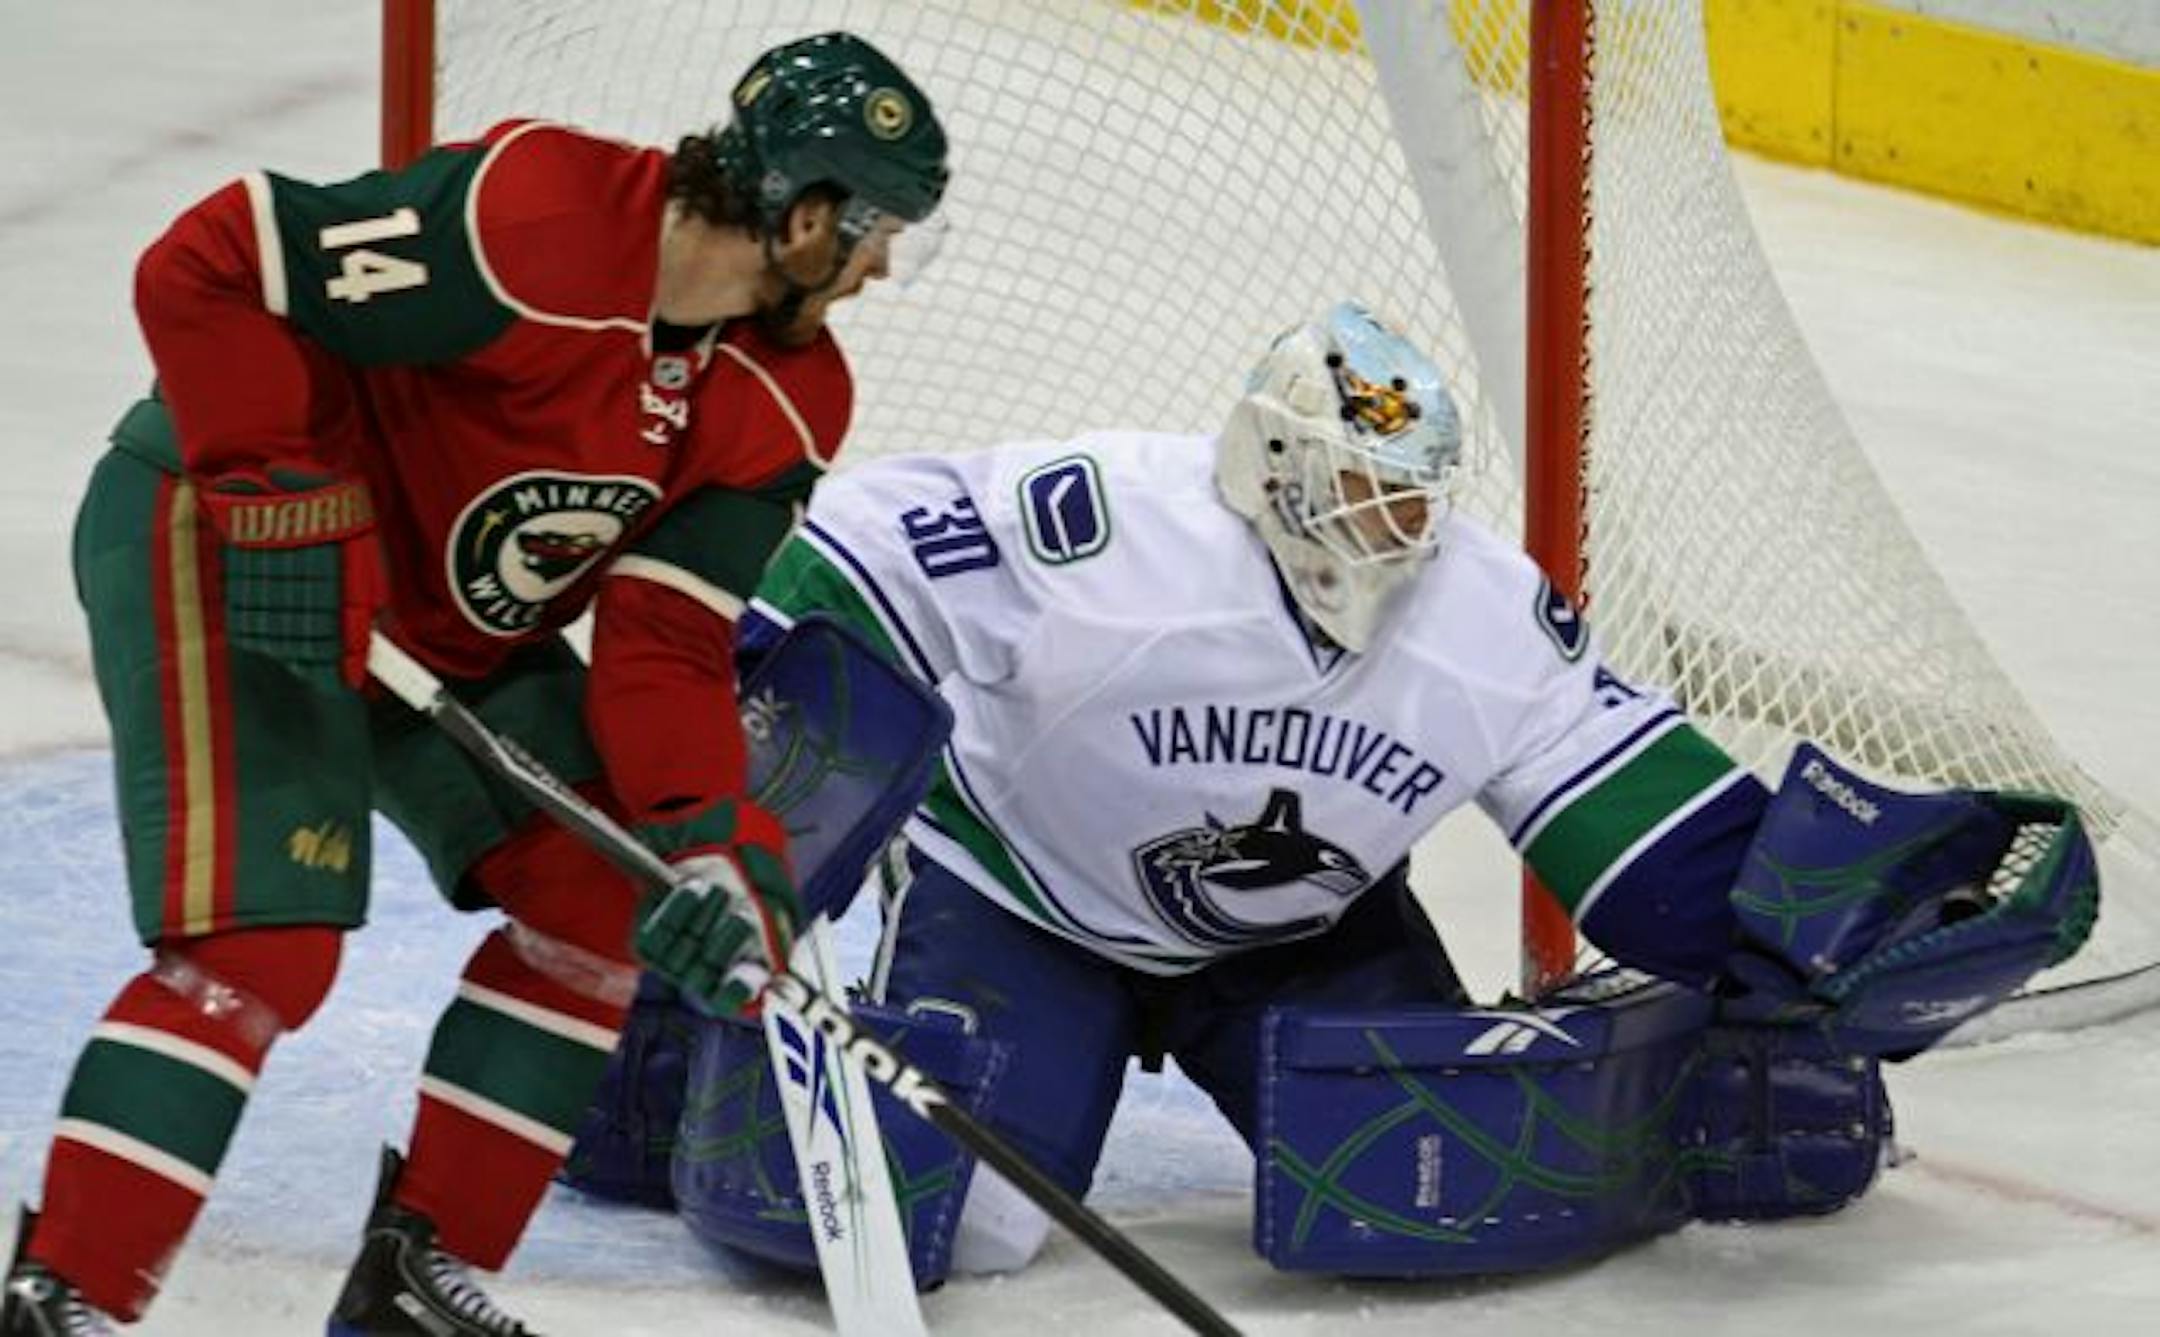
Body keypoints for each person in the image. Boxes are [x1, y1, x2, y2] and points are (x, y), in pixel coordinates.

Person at [687, 299, 2094, 1280]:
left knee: (1439, 1192)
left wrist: (1818, 935)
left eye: (1416, 496)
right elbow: (842, 568)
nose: (1397, 529)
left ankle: (1704, 1100)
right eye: (1364, 493)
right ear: (1278, 462)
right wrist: (755, 815)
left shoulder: (1481, 610)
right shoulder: (1105, 526)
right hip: (1026, 906)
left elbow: (1646, 831)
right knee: (954, 1217)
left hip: (1305, 933)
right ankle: (661, 1062)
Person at [1, 30, 948, 1337]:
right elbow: (212, 259)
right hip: (230, 549)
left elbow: (663, 644)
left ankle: (413, 1283)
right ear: (806, 214)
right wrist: (269, 479)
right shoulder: (534, 221)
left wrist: (713, 840)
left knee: (604, 886)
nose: (884, 267)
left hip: (440, 628)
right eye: (880, 228)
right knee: (261, 943)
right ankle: (65, 1292)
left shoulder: (786, 399)